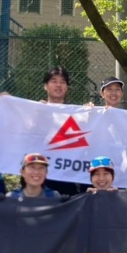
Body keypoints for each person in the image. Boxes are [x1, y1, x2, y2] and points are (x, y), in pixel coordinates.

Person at [41, 67, 80, 197]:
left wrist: (92, 112)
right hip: (40, 175)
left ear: (67, 87)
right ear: (45, 86)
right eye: (54, 81)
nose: (58, 85)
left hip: (68, 177)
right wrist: (7, 101)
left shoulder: (78, 114)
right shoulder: (35, 111)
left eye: (62, 82)